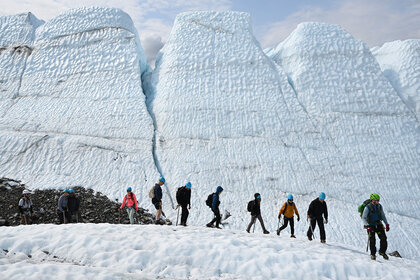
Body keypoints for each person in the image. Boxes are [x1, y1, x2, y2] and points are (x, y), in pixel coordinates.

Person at [362, 193, 389, 260]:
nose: (378, 202)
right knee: (372, 240)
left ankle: (382, 252)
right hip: (370, 225)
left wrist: (386, 224)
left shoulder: (379, 206)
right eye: (376, 200)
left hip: (378, 224)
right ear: (372, 200)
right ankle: (373, 254)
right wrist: (367, 225)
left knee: (383, 238)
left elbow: (383, 216)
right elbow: (364, 217)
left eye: (378, 200)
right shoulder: (367, 207)